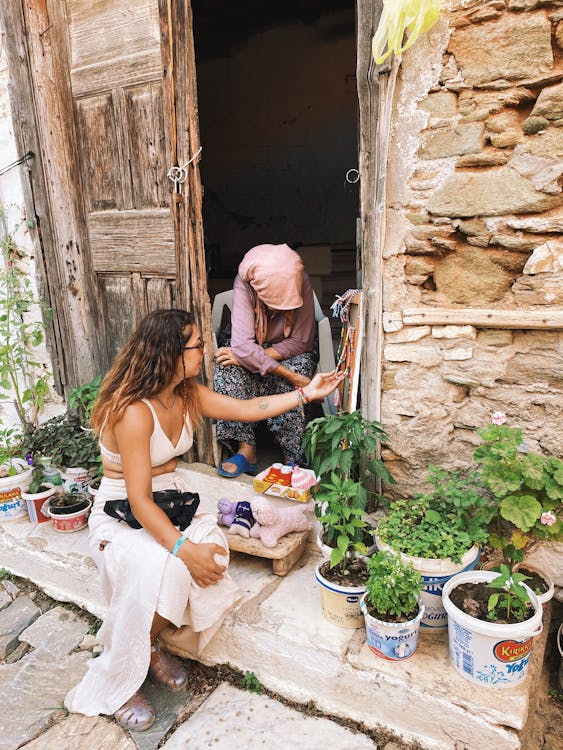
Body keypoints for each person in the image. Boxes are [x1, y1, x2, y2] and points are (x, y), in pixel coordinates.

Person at [64, 308, 342, 731]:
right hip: (122, 512)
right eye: (197, 345)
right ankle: (119, 678)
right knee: (170, 568)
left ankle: (149, 643)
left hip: (170, 502)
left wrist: (307, 393)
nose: (205, 352)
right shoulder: (134, 411)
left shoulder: (187, 394)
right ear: (171, 353)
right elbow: (138, 501)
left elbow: (251, 409)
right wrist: (182, 548)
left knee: (211, 560)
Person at [214, 243, 318, 477]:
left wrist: (253, 357)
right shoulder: (245, 282)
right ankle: (246, 450)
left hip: (286, 346)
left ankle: (294, 457)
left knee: (300, 368)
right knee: (226, 368)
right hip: (249, 343)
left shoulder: (301, 280)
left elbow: (301, 341)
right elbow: (241, 345)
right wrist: (284, 372)